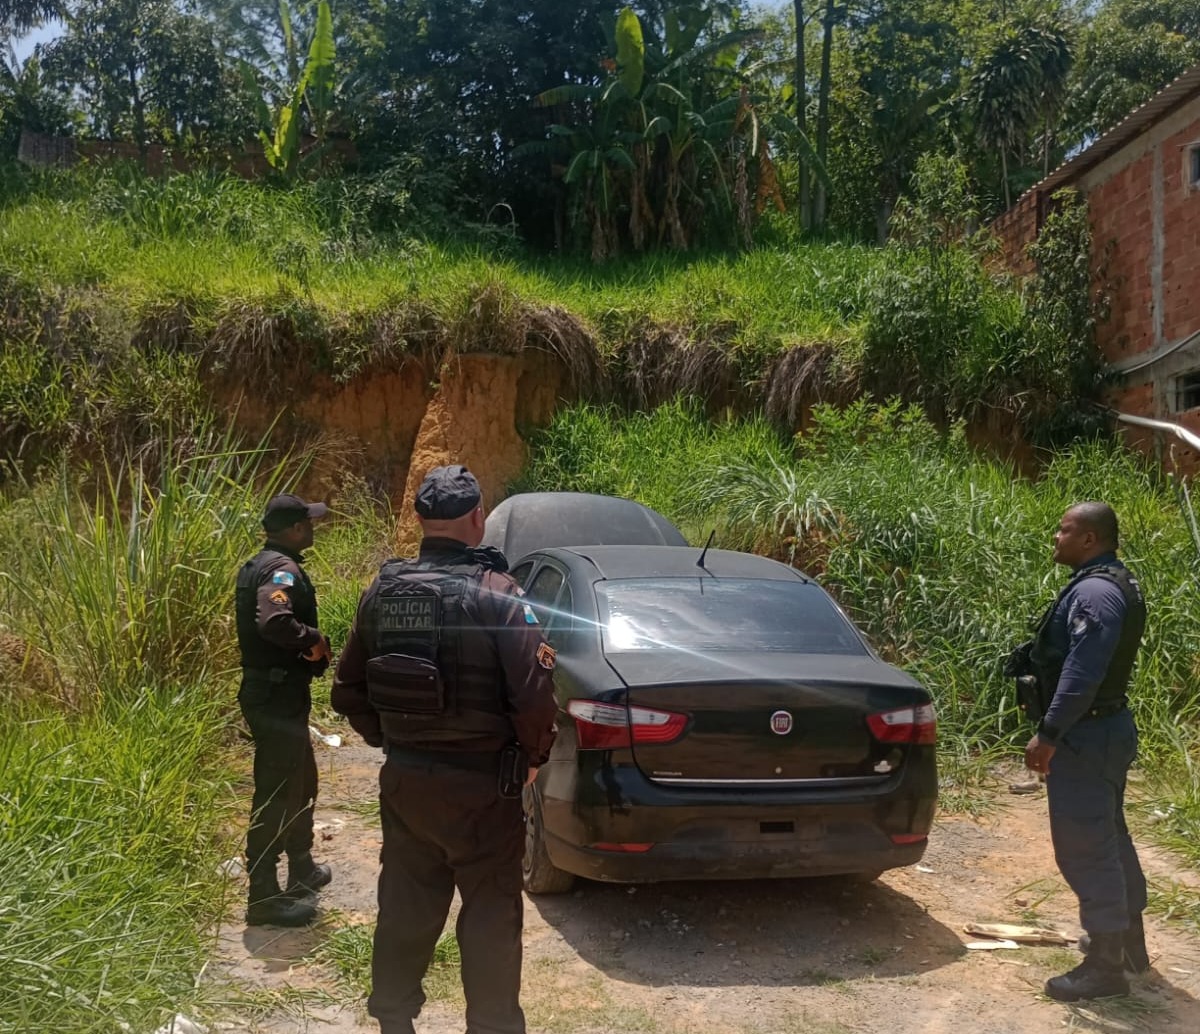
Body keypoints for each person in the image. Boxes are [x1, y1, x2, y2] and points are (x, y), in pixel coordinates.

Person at [332, 464, 558, 1034]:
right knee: (489, 915)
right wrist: (532, 759)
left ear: (420, 522)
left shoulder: (382, 591)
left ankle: (392, 1021)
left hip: (408, 783)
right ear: (478, 520)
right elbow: (534, 699)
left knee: (406, 907)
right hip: (483, 788)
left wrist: (392, 740)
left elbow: (346, 690)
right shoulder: (499, 596)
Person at [1020, 501, 1148, 1001]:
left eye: (1064, 530)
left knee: (1085, 847)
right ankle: (1128, 945)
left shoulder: (1095, 593)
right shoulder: (1114, 582)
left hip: (1087, 735)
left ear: (1090, 539)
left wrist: (1047, 734)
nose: (1056, 537)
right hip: (1105, 730)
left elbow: (1082, 673)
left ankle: (1105, 968)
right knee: (1109, 838)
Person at [236, 492, 334, 927]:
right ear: (294, 529)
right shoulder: (281, 571)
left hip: (279, 695)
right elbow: (274, 622)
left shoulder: (266, 563)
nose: (313, 527)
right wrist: (312, 638)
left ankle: (300, 868)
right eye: (308, 522)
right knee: (277, 793)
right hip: (274, 696)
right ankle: (263, 896)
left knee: (302, 780)